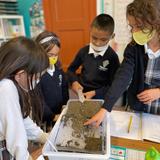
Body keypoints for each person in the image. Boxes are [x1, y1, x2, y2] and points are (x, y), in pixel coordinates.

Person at [84, 0, 160, 127]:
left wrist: (158, 91)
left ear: (156, 23)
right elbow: (122, 77)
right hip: (136, 107)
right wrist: (105, 108)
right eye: (131, 26)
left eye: (139, 26)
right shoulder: (133, 48)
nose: (134, 31)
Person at [0, 37, 49, 159]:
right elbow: (15, 132)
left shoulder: (10, 83)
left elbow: (21, 118)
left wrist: (43, 136)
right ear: (20, 75)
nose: (38, 82)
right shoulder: (6, 87)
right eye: (37, 77)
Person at [67, 14, 120, 100]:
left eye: (103, 39)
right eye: (94, 38)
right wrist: (74, 82)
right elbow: (70, 70)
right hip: (82, 94)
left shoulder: (112, 57)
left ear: (112, 36)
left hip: (101, 96)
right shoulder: (83, 51)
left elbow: (113, 85)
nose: (97, 43)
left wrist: (96, 93)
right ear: (90, 31)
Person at [35, 31, 69, 129]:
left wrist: (64, 105)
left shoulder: (59, 70)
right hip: (45, 118)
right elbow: (38, 101)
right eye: (50, 55)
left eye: (56, 54)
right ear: (39, 52)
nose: (53, 58)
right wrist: (53, 117)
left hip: (59, 115)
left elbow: (64, 89)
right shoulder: (36, 75)